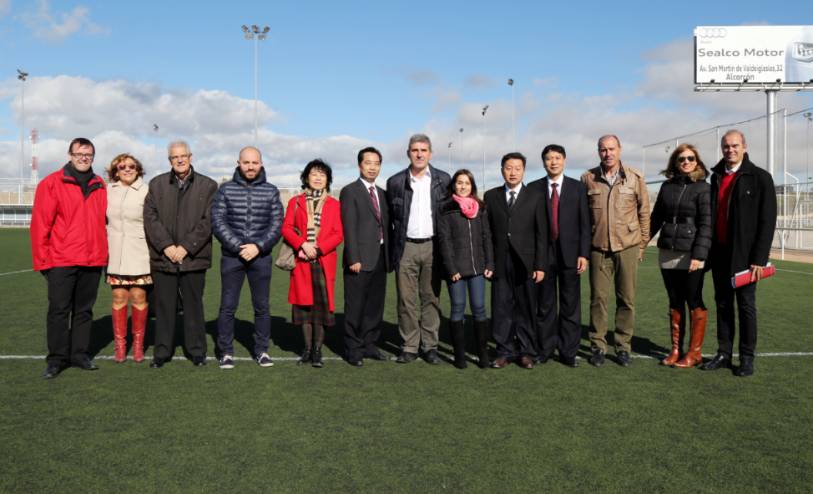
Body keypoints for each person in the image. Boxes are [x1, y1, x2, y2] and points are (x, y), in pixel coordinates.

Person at [701, 130, 776, 377]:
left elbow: (767, 221)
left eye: (734, 145)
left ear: (744, 147)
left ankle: (746, 357)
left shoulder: (760, 178)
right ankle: (724, 353)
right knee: (722, 304)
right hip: (719, 254)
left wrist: (759, 258)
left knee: (746, 306)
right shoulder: (716, 177)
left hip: (746, 257)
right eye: (726, 146)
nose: (730, 150)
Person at [31, 137, 108, 379]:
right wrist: (43, 262)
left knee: (84, 311)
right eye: (79, 154)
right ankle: (56, 359)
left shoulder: (100, 184)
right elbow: (40, 225)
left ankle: (79, 354)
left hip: (92, 259)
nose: (84, 158)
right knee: (59, 311)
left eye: (88, 155)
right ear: (70, 155)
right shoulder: (51, 183)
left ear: (92, 157)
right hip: (61, 260)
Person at [143, 140, 218, 368]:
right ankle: (162, 352)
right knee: (164, 307)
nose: (180, 160)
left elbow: (208, 221)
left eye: (183, 156)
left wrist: (186, 247)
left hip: (193, 257)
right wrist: (166, 246)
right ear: (170, 160)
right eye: (175, 157)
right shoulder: (156, 184)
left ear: (190, 157)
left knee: (193, 306)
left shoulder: (208, 185)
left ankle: (196, 351)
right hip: (164, 258)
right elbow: (150, 218)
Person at [581, 135, 650, 367]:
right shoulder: (588, 178)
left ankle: (622, 347)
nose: (607, 153)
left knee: (626, 300)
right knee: (598, 299)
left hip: (627, 247)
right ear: (598, 152)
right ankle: (598, 346)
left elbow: (644, 213)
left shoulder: (635, 177)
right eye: (603, 150)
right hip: (598, 248)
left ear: (619, 149)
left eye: (611, 149)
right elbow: (583, 217)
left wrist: (642, 245)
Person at [211, 146, 284, 369]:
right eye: (246, 162)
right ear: (238, 163)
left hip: (260, 258)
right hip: (232, 257)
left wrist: (258, 246)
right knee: (228, 306)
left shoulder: (271, 191)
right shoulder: (225, 190)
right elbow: (218, 221)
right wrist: (238, 246)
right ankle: (225, 352)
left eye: (254, 162)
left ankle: (262, 350)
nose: (250, 167)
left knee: (261, 306)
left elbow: (277, 223)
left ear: (261, 163)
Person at [386, 134, 451, 364]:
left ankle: (430, 346)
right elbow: (390, 218)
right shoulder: (395, 182)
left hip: (433, 247)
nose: (419, 154)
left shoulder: (443, 179)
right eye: (415, 150)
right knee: (406, 300)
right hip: (406, 247)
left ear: (430, 153)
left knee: (431, 298)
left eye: (424, 150)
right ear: (408, 153)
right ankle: (410, 346)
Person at [649, 144, 712, 368]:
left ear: (697, 161)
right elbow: (656, 218)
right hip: (668, 251)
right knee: (674, 300)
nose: (686, 162)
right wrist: (641, 242)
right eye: (681, 158)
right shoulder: (667, 187)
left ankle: (695, 353)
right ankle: (676, 350)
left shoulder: (704, 188)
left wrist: (699, 255)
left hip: (692, 254)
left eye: (690, 158)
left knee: (693, 299)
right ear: (675, 162)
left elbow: (706, 224)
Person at [484, 152, 547, 369]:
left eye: (517, 168)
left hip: (526, 263)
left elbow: (541, 234)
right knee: (501, 308)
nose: (513, 172)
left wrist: (540, 265)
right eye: (508, 168)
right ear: (502, 170)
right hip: (500, 261)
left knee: (526, 308)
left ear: (524, 171)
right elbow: (487, 234)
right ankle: (504, 351)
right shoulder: (491, 196)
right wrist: (489, 263)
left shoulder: (535, 196)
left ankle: (526, 351)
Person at [530, 145, 590, 368]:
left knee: (570, 305)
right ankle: (545, 349)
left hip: (571, 254)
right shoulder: (534, 188)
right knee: (545, 305)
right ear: (543, 162)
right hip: (543, 255)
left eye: (557, 157)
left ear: (564, 160)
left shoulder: (577, 187)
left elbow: (585, 223)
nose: (553, 162)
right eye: (548, 158)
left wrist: (583, 253)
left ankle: (568, 351)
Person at [282, 159, 344, 368]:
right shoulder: (296, 202)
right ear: (306, 177)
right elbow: (286, 228)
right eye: (314, 174)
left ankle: (317, 351)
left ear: (328, 179)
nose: (318, 178)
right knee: (304, 309)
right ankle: (307, 349)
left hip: (323, 261)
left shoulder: (334, 204)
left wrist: (317, 248)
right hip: (301, 261)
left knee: (321, 309)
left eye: (322, 174)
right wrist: (302, 244)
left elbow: (338, 234)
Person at [437, 169, 494, 369]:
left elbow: (487, 236)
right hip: (457, 271)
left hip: (478, 268)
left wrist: (489, 263)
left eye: (467, 183)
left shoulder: (481, 207)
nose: (463, 186)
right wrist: (451, 268)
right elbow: (444, 241)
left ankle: (483, 354)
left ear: (472, 186)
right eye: (459, 182)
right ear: (454, 185)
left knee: (479, 308)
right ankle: (459, 356)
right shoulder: (445, 208)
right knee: (458, 308)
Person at [340, 147, 391, 367]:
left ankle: (370, 344)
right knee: (355, 306)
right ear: (360, 165)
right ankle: (353, 348)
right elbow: (349, 226)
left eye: (376, 163)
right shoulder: (350, 191)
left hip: (380, 257)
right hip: (359, 259)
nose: (372, 167)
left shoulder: (382, 193)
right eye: (368, 163)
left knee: (374, 306)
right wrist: (353, 257)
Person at [106, 153, 152, 363]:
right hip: (115, 253)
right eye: (122, 167)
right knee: (118, 297)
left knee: (139, 297)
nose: (127, 169)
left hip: (139, 252)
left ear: (138, 169)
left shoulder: (146, 190)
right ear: (115, 171)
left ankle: (138, 346)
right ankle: (120, 346)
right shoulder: (108, 191)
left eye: (131, 166)